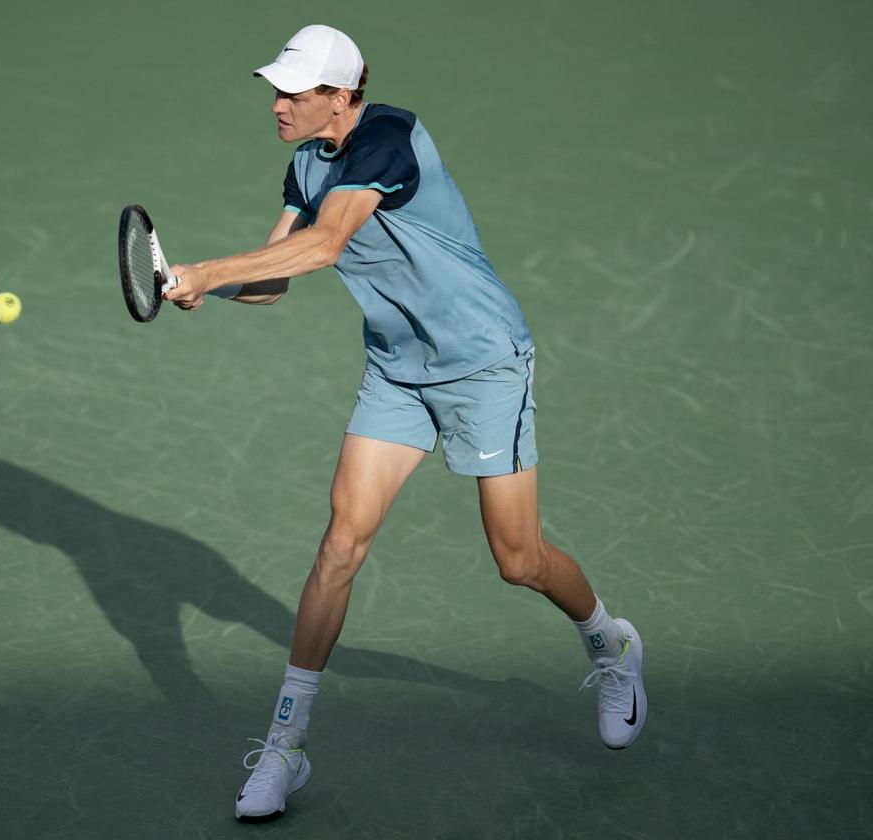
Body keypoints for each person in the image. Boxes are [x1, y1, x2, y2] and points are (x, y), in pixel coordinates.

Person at [163, 24, 648, 824]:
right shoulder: (305, 165)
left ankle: (610, 643)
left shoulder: (388, 135)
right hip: (397, 370)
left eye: (297, 92)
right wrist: (202, 288)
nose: (279, 104)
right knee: (340, 545)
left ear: (342, 93)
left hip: (483, 366)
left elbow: (324, 248)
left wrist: (210, 268)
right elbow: (273, 281)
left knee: (517, 559)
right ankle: (287, 745)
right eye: (278, 90)